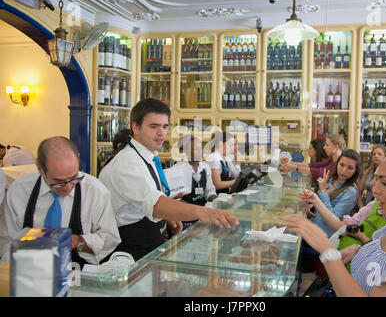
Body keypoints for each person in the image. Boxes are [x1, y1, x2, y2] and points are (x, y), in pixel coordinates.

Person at [285, 144, 386, 296]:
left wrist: (327, 251)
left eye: (384, 182)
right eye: (375, 178)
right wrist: (360, 251)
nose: (374, 188)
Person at [98, 98, 239, 261]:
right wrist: (202, 212)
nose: (161, 133)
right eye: (154, 126)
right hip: (127, 252)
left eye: (165, 127)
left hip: (148, 244)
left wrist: (167, 217)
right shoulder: (126, 163)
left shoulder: (147, 157)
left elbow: (148, 198)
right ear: (135, 127)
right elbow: (155, 203)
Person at [0, 137, 121, 267]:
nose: (68, 187)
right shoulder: (19, 190)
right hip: (28, 270)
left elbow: (110, 239)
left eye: (74, 178)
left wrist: (78, 242)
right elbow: (6, 242)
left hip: (77, 274)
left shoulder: (95, 191)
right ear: (40, 168)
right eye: (58, 182)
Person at [297, 149, 360, 280]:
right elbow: (319, 204)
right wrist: (311, 207)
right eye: (342, 165)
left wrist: (323, 191)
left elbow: (333, 219)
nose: (344, 170)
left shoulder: (350, 191)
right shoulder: (331, 179)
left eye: (350, 168)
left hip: (326, 238)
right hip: (312, 232)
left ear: (356, 171)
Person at [280, 134, 346, 186]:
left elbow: (320, 172)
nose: (324, 147)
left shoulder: (340, 162)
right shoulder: (332, 159)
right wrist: (292, 163)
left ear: (336, 147)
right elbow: (316, 165)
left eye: (327, 145)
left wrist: (295, 167)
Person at [175, 134, 217, 206]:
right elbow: (176, 199)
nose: (201, 152)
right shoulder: (177, 170)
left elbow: (209, 190)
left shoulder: (205, 167)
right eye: (196, 149)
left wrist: (216, 201)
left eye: (201, 148)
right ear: (186, 151)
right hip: (185, 211)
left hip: (203, 208)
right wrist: (195, 210)